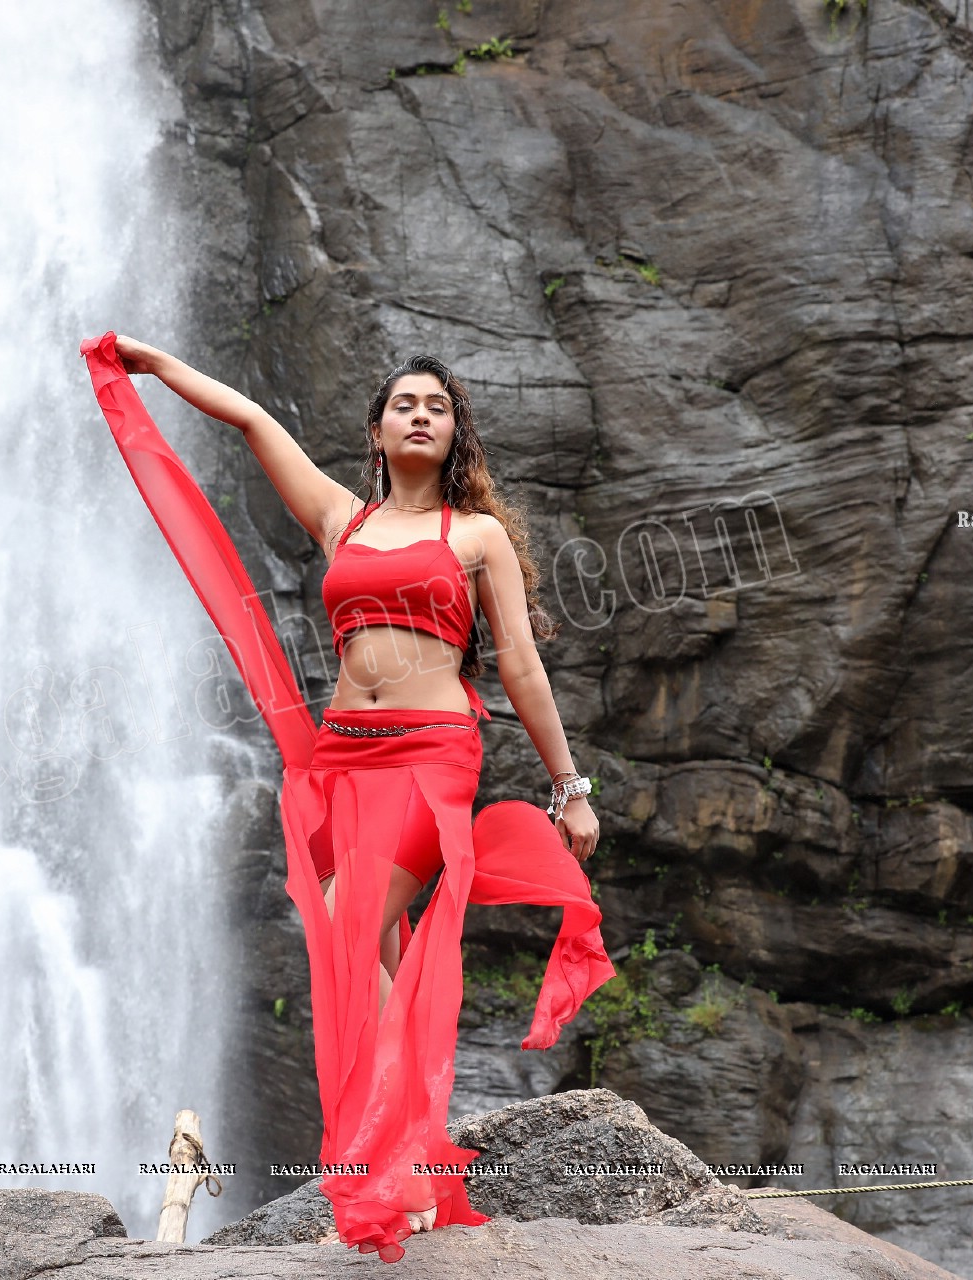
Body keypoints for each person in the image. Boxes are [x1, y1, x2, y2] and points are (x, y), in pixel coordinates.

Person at [80, 331, 613, 1263]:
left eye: (437, 408)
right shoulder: (345, 522)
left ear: (457, 439)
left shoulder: (474, 536)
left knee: (346, 925)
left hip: (430, 755)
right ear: (377, 430)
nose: (420, 415)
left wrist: (569, 786)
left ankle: (394, 1159)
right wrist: (157, 367)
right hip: (340, 760)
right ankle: (406, 1163)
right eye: (405, 404)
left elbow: (521, 669)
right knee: (360, 946)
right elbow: (250, 419)